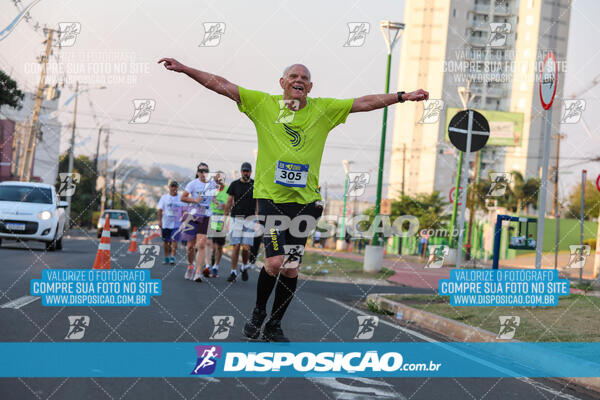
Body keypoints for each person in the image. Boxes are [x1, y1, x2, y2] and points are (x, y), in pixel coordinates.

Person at [158, 57, 428, 341]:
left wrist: (402, 97)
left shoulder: (323, 110)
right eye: (293, 76)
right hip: (272, 200)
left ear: (310, 87)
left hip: (306, 205)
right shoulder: (263, 104)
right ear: (282, 83)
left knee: (291, 268)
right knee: (274, 262)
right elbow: (222, 85)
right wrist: (186, 69)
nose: (298, 80)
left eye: (304, 78)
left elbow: (364, 102)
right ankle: (259, 313)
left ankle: (274, 324)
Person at [179, 163, 217, 282]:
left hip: (205, 215)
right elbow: (183, 198)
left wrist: (217, 202)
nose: (203, 173)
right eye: (201, 171)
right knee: (190, 246)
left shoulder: (212, 184)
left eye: (206, 171)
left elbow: (212, 197)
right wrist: (194, 200)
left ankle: (198, 272)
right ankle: (191, 265)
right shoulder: (192, 184)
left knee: (201, 244)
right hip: (193, 215)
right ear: (197, 172)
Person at [224, 162, 256, 283]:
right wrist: (225, 217)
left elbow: (258, 201)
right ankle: (233, 271)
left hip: (250, 219)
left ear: (250, 172)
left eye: (247, 171)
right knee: (236, 246)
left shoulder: (255, 185)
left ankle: (244, 266)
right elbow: (228, 201)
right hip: (236, 218)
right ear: (241, 171)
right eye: (244, 171)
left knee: (247, 248)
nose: (245, 173)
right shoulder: (234, 184)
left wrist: (258, 217)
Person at [157, 180, 184, 265]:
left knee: (174, 240)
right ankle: (166, 257)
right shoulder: (164, 197)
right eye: (172, 186)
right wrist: (159, 221)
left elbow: (184, 210)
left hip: (176, 223)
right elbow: (160, 210)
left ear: (177, 188)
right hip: (166, 223)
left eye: (175, 186)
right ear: (169, 188)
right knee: (166, 241)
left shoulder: (181, 198)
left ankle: (172, 257)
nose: (174, 188)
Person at [207, 172, 228, 278]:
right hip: (211, 218)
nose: (217, 182)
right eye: (216, 180)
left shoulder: (228, 190)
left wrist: (223, 205)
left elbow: (231, 205)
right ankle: (207, 265)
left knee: (219, 246)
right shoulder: (211, 190)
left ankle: (215, 266)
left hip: (222, 219)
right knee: (210, 243)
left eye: (220, 180)